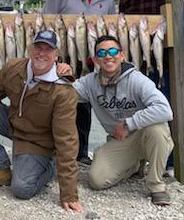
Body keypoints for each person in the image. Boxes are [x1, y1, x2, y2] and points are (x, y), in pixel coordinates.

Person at [0, 30, 83, 213]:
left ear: (56, 56)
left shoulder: (64, 92)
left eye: (48, 49)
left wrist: (68, 193)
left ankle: (49, 165)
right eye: (38, 47)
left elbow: (67, 140)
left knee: (21, 189)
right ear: (30, 49)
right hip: (15, 124)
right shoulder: (14, 67)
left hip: (38, 142)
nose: (41, 53)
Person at [58, 35, 174, 206]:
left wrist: (129, 123)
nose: (108, 56)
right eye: (102, 52)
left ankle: (156, 186)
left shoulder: (137, 79)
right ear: (96, 59)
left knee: (157, 130)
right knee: (96, 180)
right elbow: (65, 94)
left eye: (113, 51)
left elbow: (165, 110)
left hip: (145, 134)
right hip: (119, 140)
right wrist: (61, 74)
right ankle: (135, 165)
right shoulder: (90, 82)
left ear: (122, 55)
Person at [118, 0, 184, 171]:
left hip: (177, 64)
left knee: (182, 115)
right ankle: (142, 160)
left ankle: (174, 164)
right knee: (141, 113)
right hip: (141, 67)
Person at [42, 0, 116, 165]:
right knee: (56, 103)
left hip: (90, 61)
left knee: (83, 106)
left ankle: (81, 152)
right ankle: (53, 149)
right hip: (64, 56)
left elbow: (111, 30)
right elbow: (46, 19)